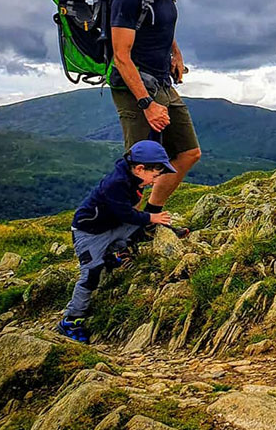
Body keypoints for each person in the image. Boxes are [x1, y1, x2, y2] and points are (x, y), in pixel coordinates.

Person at [109, 0, 202, 221]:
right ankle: (119, 233)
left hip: (162, 82)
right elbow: (120, 55)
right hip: (135, 87)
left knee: (189, 152)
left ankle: (150, 217)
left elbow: (160, 25)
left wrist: (176, 53)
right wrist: (147, 104)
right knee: (139, 167)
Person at [57, 140, 184, 343]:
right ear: (140, 168)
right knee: (91, 273)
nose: (154, 181)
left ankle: (114, 255)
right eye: (154, 175)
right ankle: (71, 320)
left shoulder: (133, 174)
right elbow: (125, 213)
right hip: (89, 233)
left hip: (111, 225)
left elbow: (149, 142)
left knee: (142, 229)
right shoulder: (115, 184)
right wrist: (151, 217)